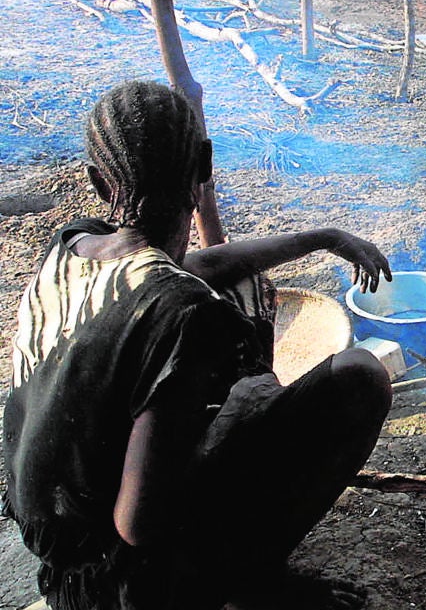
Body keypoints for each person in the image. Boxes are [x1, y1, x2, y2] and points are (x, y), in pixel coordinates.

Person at [3, 80, 395, 610]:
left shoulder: (73, 247)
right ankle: (251, 587)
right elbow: (138, 524)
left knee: (246, 283)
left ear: (98, 182)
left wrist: (321, 237)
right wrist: (228, 422)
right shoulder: (186, 316)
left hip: (62, 556)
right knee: (360, 378)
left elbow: (187, 270)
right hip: (125, 588)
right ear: (204, 167)